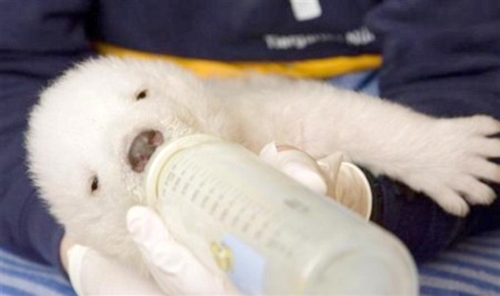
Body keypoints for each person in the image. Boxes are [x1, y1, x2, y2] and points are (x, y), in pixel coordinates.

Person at [1, 0, 499, 294]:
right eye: (92, 183)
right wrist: (80, 257)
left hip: (406, 88)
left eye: (143, 99)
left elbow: (322, 115)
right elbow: (10, 67)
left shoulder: (237, 110)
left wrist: (370, 195)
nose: (140, 147)